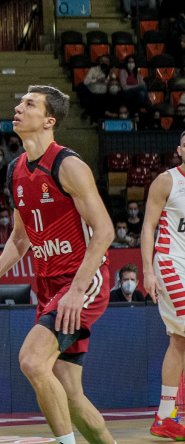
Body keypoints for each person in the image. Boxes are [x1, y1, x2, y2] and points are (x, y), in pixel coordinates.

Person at [0, 86, 114, 444]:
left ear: (49, 121)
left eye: (29, 104)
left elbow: (104, 231)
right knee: (70, 395)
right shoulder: (16, 170)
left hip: (83, 279)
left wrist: (77, 291)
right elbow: (21, 238)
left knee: (32, 361)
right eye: (20, 101)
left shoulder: (67, 164)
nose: (19, 107)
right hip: (49, 283)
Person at [140, 142, 185, 438]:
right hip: (170, 263)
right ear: (181, 150)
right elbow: (147, 227)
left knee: (180, 341)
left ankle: (164, 417)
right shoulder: (167, 181)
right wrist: (146, 270)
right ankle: (164, 417)